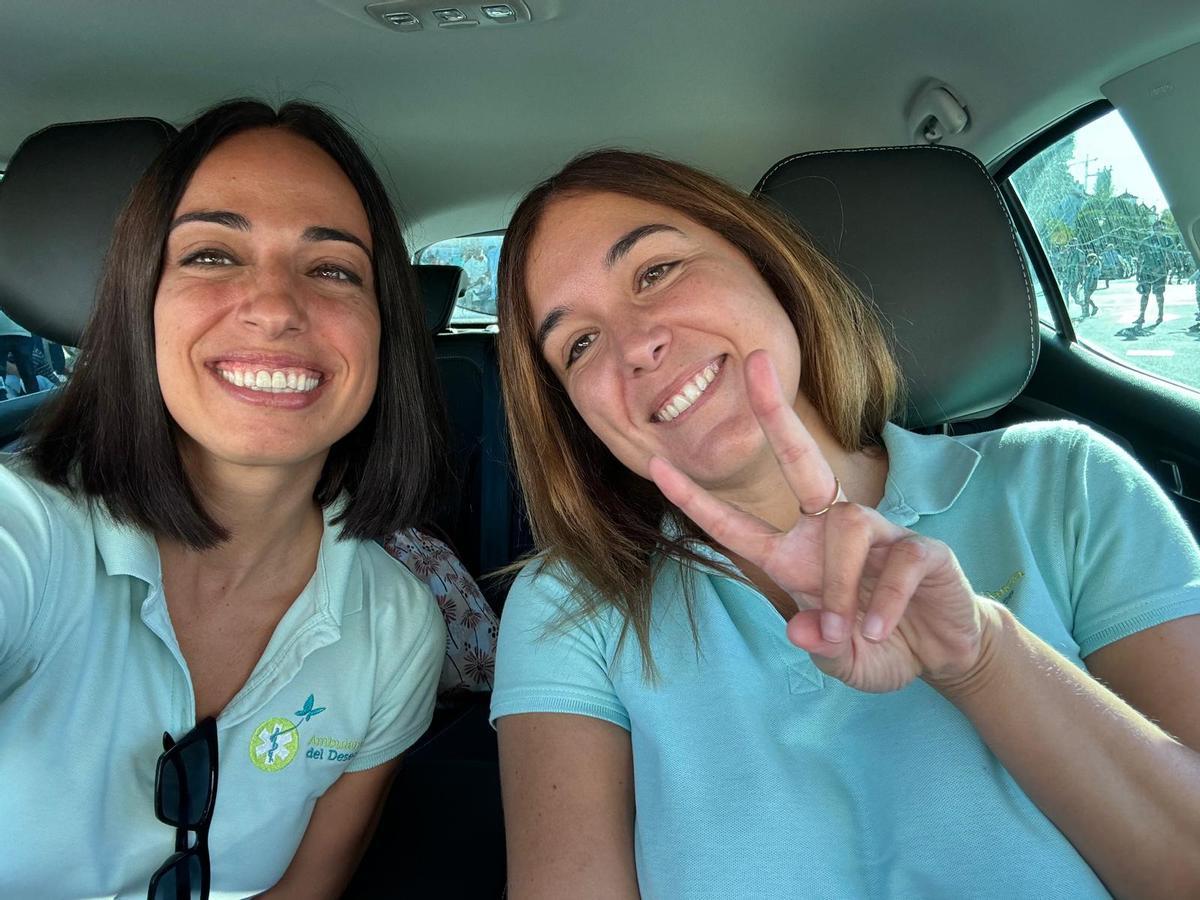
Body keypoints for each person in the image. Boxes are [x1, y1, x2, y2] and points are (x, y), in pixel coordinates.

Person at [489, 149, 1200, 898]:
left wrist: (983, 659)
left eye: (656, 271)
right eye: (579, 344)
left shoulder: (1067, 482)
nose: (636, 346)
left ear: (767, 266)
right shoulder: (568, 607)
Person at [0, 100, 450, 898]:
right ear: (138, 306)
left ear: (386, 334)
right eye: (212, 255)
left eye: (333, 269)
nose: (276, 307)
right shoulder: (27, 536)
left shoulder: (395, 624)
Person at [1133, 219, 1174, 326]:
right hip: (1147, 272)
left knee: (1159, 294)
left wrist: (1172, 267)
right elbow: (1140, 257)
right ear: (1153, 229)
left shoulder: (1167, 240)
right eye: (1157, 228)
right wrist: (1138, 272)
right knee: (1144, 294)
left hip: (1160, 272)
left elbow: (1170, 254)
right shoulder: (1146, 241)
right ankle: (1141, 316)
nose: (1159, 230)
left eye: (1161, 228)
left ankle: (1160, 315)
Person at [0, 306, 42, 396]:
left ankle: (34, 395)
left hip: (21, 332)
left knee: (28, 372)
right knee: (28, 372)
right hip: (21, 332)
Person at [1080, 251, 1101, 317]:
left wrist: (1092, 285)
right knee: (1086, 297)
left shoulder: (1096, 267)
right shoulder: (1089, 267)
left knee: (1087, 297)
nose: (1088, 261)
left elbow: (1095, 277)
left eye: (1090, 259)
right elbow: (1085, 275)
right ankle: (1090, 310)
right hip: (1087, 283)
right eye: (1088, 259)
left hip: (1092, 283)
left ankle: (1090, 310)